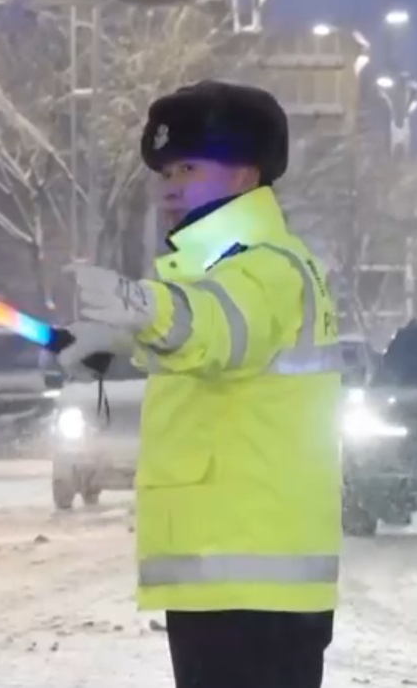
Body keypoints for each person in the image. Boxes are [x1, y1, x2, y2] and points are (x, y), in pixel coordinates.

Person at [56, 80, 343, 688]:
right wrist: (127, 343)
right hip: (232, 578)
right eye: (163, 170)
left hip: (254, 586)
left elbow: (219, 326)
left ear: (246, 174)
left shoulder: (266, 265)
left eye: (189, 165)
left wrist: (143, 307)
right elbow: (205, 344)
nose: (170, 184)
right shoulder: (219, 270)